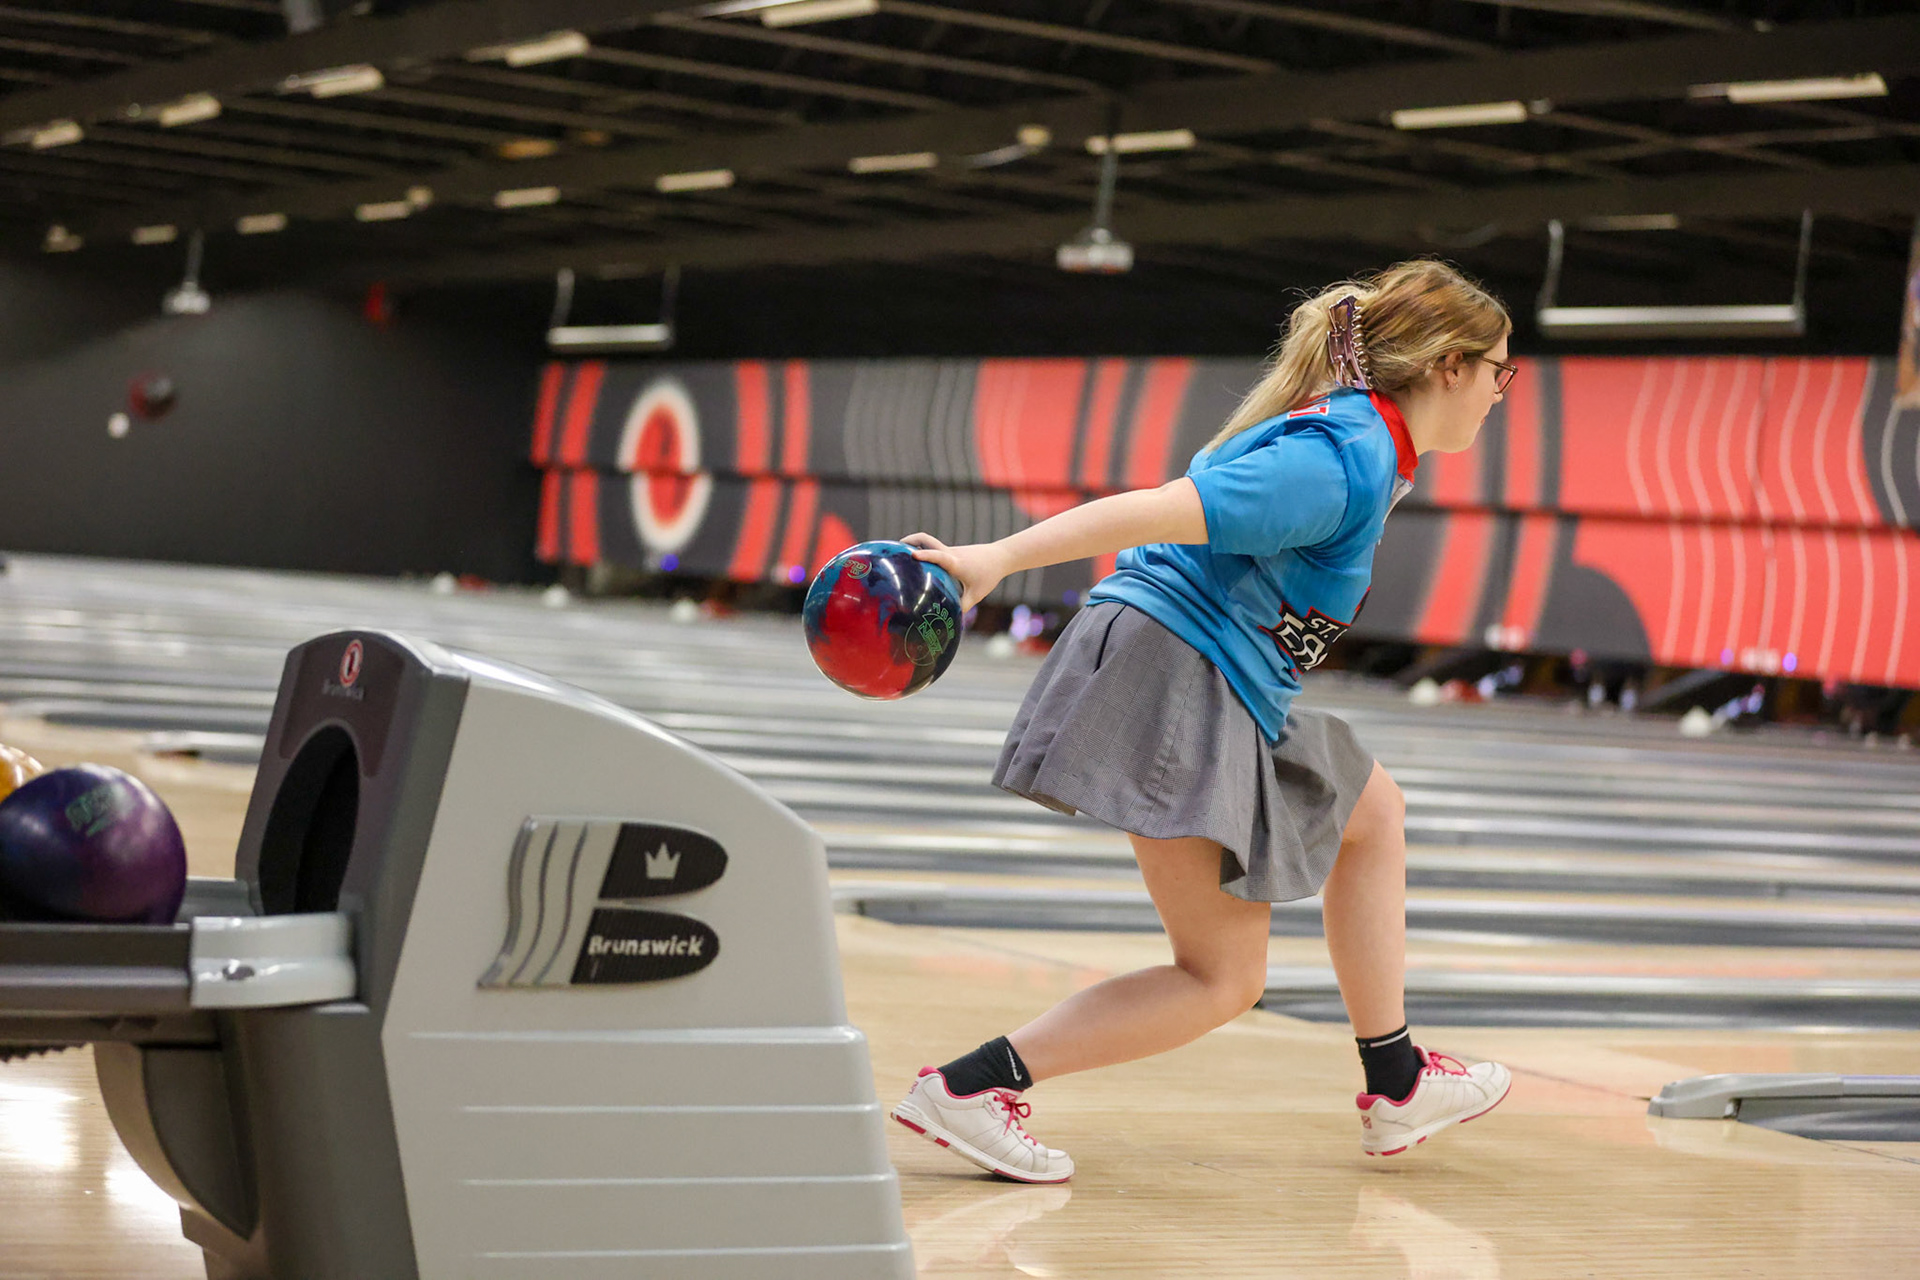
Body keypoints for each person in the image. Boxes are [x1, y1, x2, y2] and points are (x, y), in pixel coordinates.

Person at [890, 259, 1517, 1182]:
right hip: (1179, 673)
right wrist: (996, 561)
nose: (1504, 394)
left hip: (1223, 678)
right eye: (1502, 371)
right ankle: (971, 1091)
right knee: (1220, 978)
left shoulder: (1368, 446)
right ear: (1450, 365)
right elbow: (1160, 511)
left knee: (1370, 810)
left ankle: (1398, 1081)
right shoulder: (1337, 459)